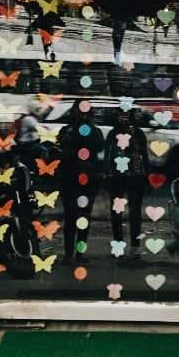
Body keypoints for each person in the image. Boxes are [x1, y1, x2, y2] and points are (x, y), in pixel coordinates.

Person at [57, 101, 105, 264]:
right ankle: (74, 254)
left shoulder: (71, 130)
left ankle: (73, 254)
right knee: (76, 218)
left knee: (76, 217)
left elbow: (98, 146)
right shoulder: (73, 130)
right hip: (79, 179)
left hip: (78, 179)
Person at [105, 108, 150, 257]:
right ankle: (132, 247)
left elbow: (108, 155)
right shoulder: (137, 133)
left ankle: (123, 246)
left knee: (122, 213)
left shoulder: (115, 134)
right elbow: (144, 156)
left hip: (122, 177)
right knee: (132, 213)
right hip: (130, 176)